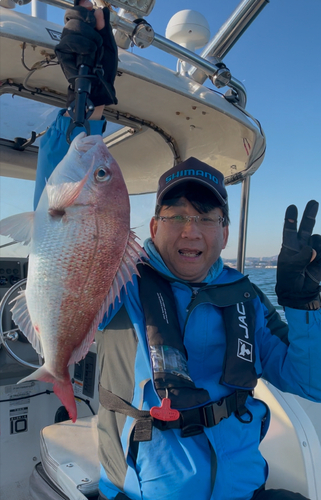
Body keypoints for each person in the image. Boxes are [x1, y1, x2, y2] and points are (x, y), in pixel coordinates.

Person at [33, 2, 321, 499]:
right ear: (153, 225)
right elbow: (61, 218)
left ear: (225, 233)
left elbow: (309, 383)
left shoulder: (246, 297)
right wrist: (86, 106)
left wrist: (306, 310)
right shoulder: (122, 285)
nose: (191, 231)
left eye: (206, 218)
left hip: (242, 490)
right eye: (177, 216)